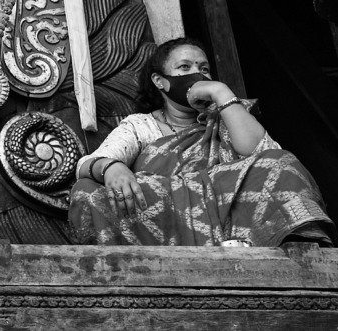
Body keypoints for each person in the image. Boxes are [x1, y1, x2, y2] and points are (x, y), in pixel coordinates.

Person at [69, 37, 335, 246]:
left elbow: (265, 155)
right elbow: (87, 165)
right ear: (160, 81)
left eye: (203, 69)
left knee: (283, 163)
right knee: (87, 190)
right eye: (184, 67)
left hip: (230, 219)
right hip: (165, 222)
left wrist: (220, 93)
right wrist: (112, 168)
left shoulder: (227, 117)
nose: (197, 74)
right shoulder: (141, 125)